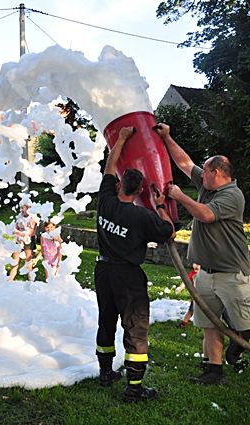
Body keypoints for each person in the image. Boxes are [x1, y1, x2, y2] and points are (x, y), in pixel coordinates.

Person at [155, 123, 250, 385]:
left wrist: (179, 196)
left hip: (232, 273)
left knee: (247, 325)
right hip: (206, 273)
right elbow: (184, 162)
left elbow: (206, 214)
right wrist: (167, 136)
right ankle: (214, 371)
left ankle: (236, 347)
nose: (200, 175)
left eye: (205, 171)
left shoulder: (232, 195)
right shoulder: (208, 185)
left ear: (216, 172)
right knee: (208, 323)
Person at [95, 126, 175, 402]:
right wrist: (161, 205)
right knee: (136, 329)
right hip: (128, 276)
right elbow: (168, 232)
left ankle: (106, 374)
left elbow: (110, 164)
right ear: (140, 190)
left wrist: (122, 139)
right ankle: (134, 388)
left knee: (106, 321)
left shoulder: (104, 200)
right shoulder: (142, 217)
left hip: (103, 270)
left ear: (118, 184)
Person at [8, 199, 40, 281]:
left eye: (23, 208)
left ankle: (31, 280)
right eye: (21, 207)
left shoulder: (33, 218)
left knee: (29, 261)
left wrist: (17, 232)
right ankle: (10, 279)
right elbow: (14, 228)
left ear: (29, 208)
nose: (21, 209)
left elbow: (30, 232)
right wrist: (14, 232)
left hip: (28, 241)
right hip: (18, 241)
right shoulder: (19, 217)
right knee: (15, 261)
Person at [176, 263, 201, 328]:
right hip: (196, 296)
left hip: (206, 296)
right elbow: (185, 282)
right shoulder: (192, 274)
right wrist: (180, 288)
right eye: (194, 264)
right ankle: (184, 322)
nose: (196, 266)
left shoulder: (205, 275)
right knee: (191, 310)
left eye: (198, 264)